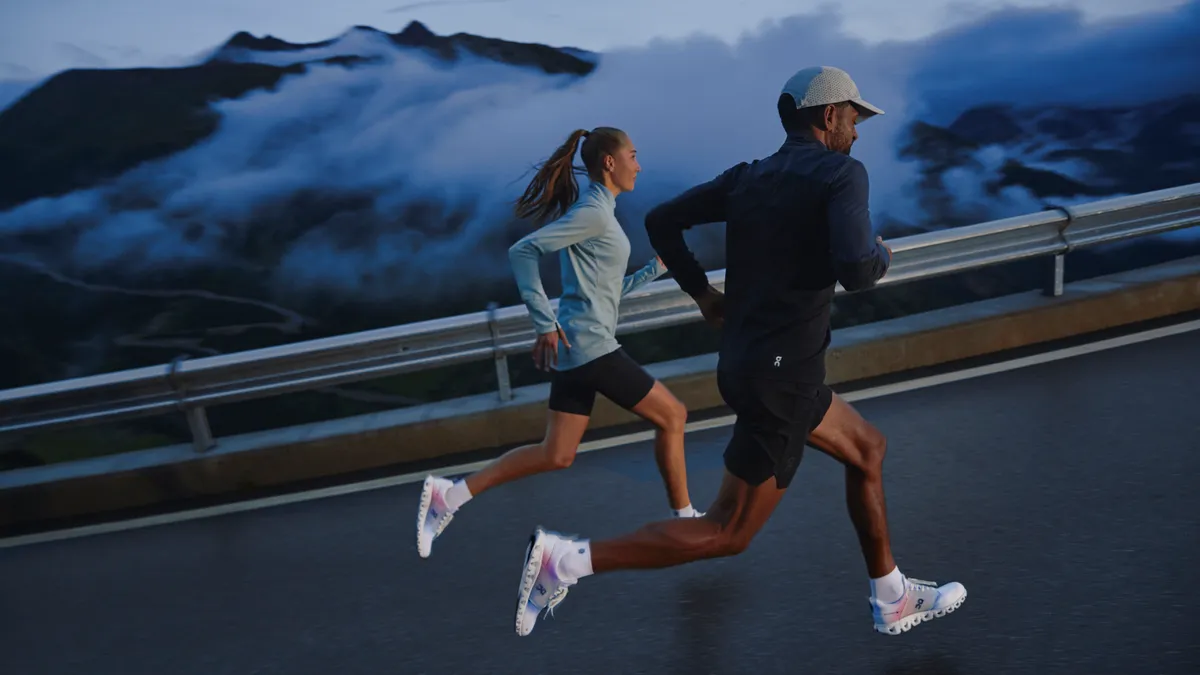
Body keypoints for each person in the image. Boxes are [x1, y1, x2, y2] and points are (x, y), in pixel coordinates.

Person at [512, 67, 967, 637]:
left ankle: (891, 593)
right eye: (853, 116)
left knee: (867, 448)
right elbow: (856, 270)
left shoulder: (749, 178)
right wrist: (880, 256)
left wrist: (704, 295)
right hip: (783, 379)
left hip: (748, 365)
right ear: (828, 116)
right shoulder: (841, 174)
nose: (857, 130)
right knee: (727, 533)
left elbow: (661, 220)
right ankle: (566, 562)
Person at [416, 126, 705, 560]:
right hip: (589, 346)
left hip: (579, 345)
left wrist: (650, 272)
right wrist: (543, 322)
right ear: (610, 162)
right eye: (633, 155)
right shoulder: (593, 214)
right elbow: (523, 252)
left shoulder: (598, 211)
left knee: (557, 454)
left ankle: (449, 497)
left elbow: (598, 291)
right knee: (673, 416)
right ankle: (685, 519)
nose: (639, 165)